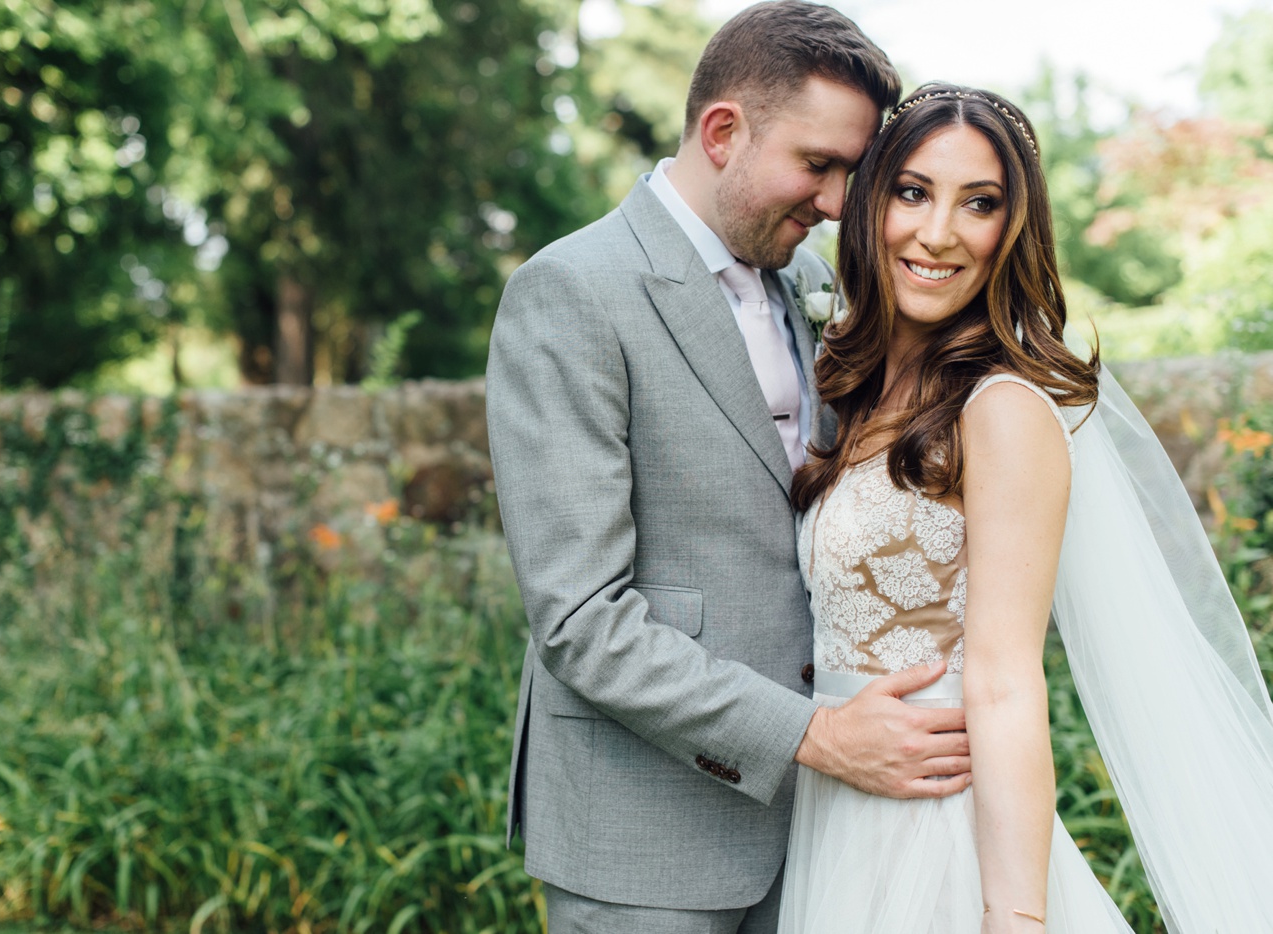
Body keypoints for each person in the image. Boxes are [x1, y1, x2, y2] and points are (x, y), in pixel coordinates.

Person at [487, 4, 975, 929]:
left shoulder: (810, 286)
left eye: (852, 172)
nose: (837, 202)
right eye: (818, 165)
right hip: (643, 836)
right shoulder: (570, 292)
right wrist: (819, 734)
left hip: (820, 838)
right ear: (723, 132)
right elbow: (583, 619)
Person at [778, 82, 1273, 933]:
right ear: (869, 205)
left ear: (1013, 231)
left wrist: (1015, 916)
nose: (939, 233)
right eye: (912, 192)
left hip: (934, 831)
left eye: (980, 204)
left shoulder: (1000, 410)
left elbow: (1006, 683)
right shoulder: (855, 391)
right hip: (833, 815)